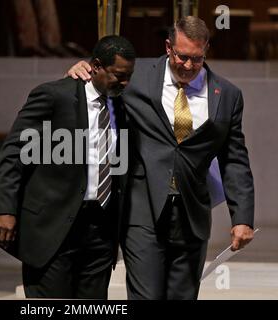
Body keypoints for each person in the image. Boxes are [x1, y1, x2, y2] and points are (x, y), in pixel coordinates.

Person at [67, 16, 255, 300]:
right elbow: (100, 86)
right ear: (168, 47)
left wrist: (242, 217)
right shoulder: (137, 75)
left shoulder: (227, 95)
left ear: (206, 51)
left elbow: (234, 158)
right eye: (182, 57)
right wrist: (82, 70)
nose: (189, 66)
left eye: (197, 58)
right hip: (142, 210)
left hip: (192, 214)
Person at [0, 35, 135, 298]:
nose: (124, 83)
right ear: (96, 66)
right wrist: (4, 209)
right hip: (53, 225)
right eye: (118, 75)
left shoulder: (123, 105)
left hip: (100, 230)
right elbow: (14, 152)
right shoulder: (55, 96)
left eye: (129, 77)